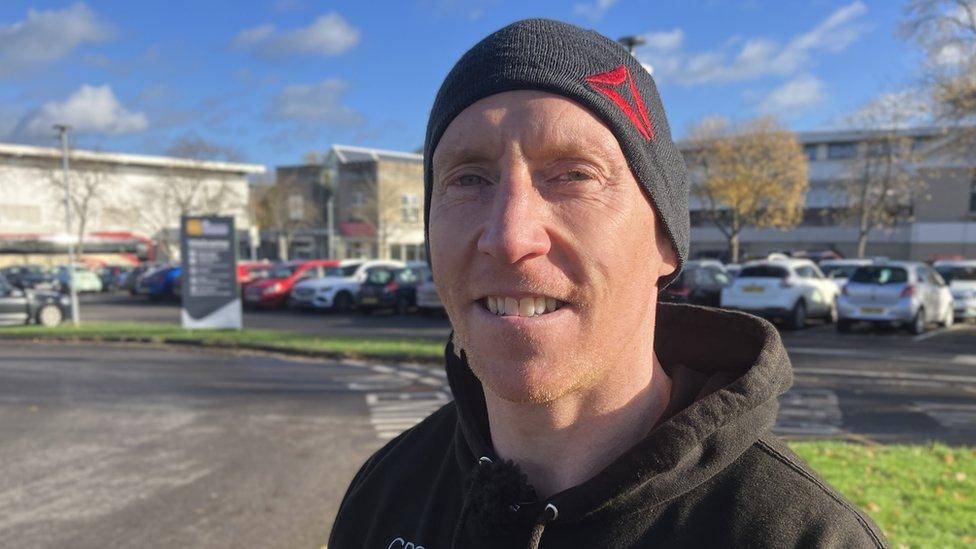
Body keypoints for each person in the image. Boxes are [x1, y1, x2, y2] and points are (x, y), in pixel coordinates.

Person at [329, 18, 887, 549]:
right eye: (468, 178)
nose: (509, 236)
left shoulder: (801, 536)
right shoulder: (386, 493)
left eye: (574, 175)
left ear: (665, 240)